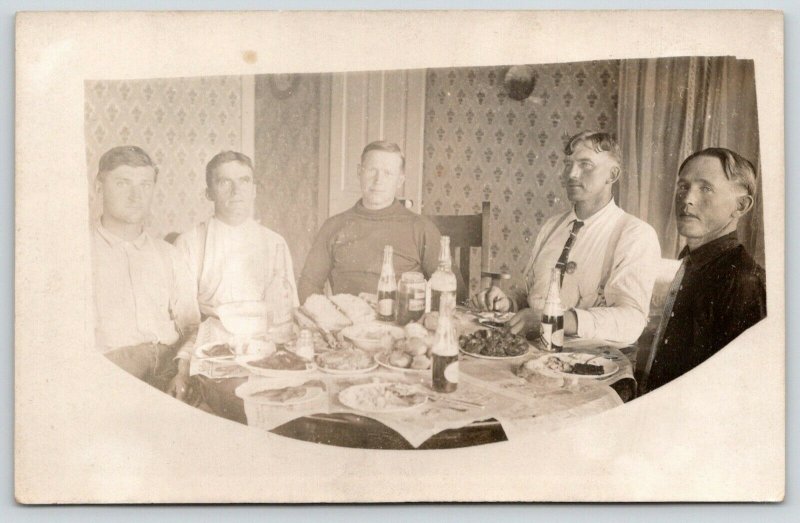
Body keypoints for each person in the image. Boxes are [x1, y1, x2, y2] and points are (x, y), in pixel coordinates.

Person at [473, 131, 661, 345]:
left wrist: (554, 320)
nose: (571, 174)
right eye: (568, 164)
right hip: (532, 351)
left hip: (591, 362)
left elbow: (631, 320)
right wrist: (508, 303)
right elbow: (531, 294)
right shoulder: (552, 227)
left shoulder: (635, 234)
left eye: (585, 165)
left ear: (612, 175)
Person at [641, 148, 766, 393]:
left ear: (740, 206)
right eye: (683, 186)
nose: (687, 199)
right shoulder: (688, 260)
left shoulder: (744, 280)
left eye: (705, 188)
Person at [91, 146, 200, 398]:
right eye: (122, 183)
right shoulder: (77, 254)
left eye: (145, 185)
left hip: (167, 372)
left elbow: (193, 326)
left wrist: (182, 372)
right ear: (98, 186)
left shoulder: (170, 255)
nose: (135, 196)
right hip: (108, 378)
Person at [298, 140, 445, 302]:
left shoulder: (421, 228)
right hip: (349, 322)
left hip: (401, 322)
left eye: (388, 173)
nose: (378, 180)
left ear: (400, 181)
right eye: (371, 170)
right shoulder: (333, 226)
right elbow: (308, 284)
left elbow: (450, 291)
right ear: (359, 172)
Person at [175, 150, 299, 319]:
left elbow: (287, 310)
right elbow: (184, 317)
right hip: (209, 339)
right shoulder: (189, 243)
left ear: (254, 191)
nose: (236, 191)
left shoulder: (275, 243)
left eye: (244, 181)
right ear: (209, 193)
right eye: (225, 182)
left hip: (264, 339)